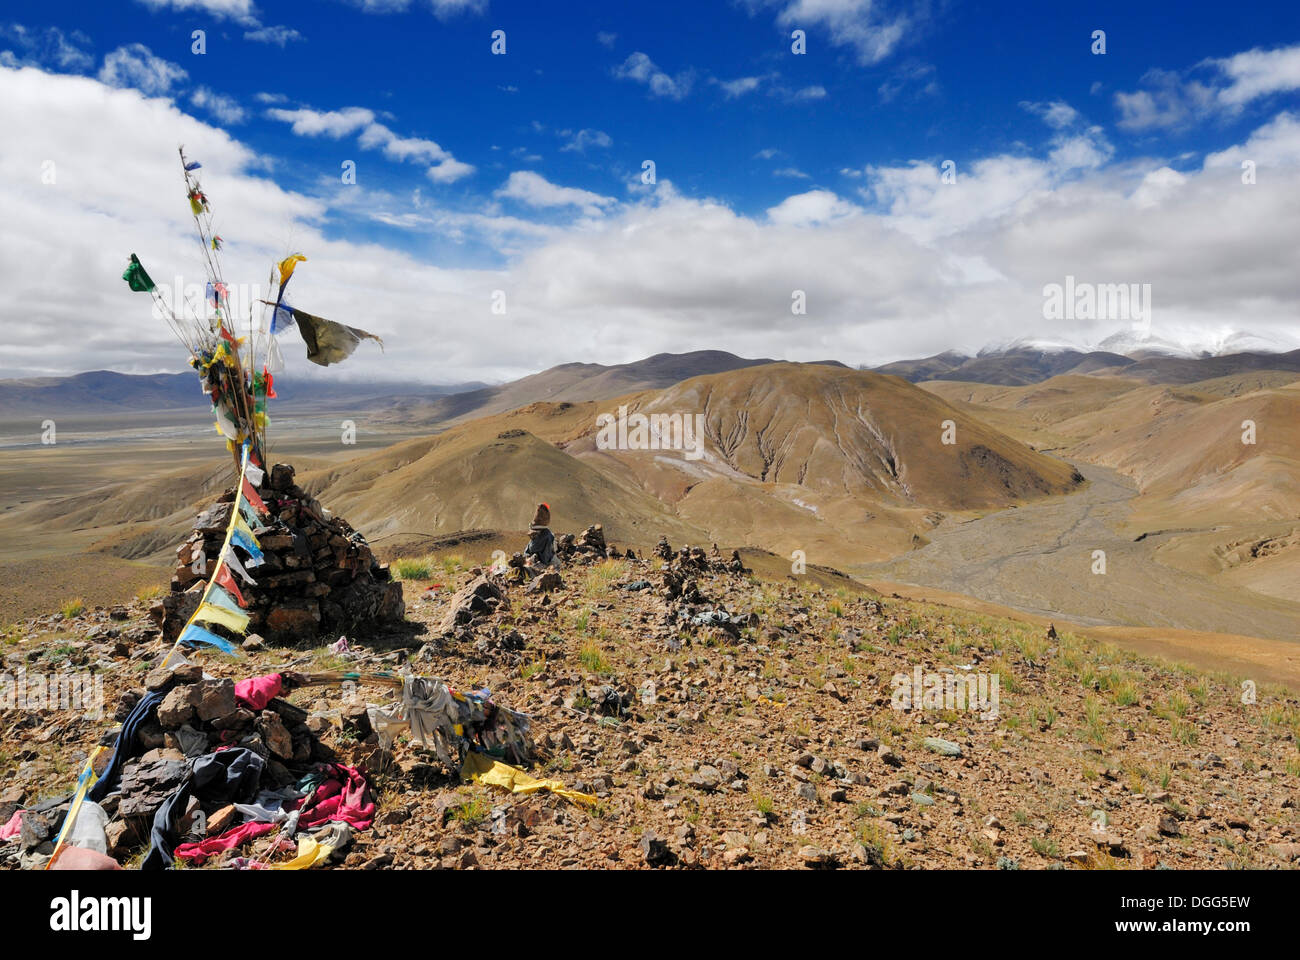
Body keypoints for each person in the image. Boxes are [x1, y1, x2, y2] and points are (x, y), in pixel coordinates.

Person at [523, 502, 555, 568]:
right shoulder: (547, 535)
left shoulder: (546, 536)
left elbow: (533, 549)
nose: (533, 537)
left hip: (542, 562)